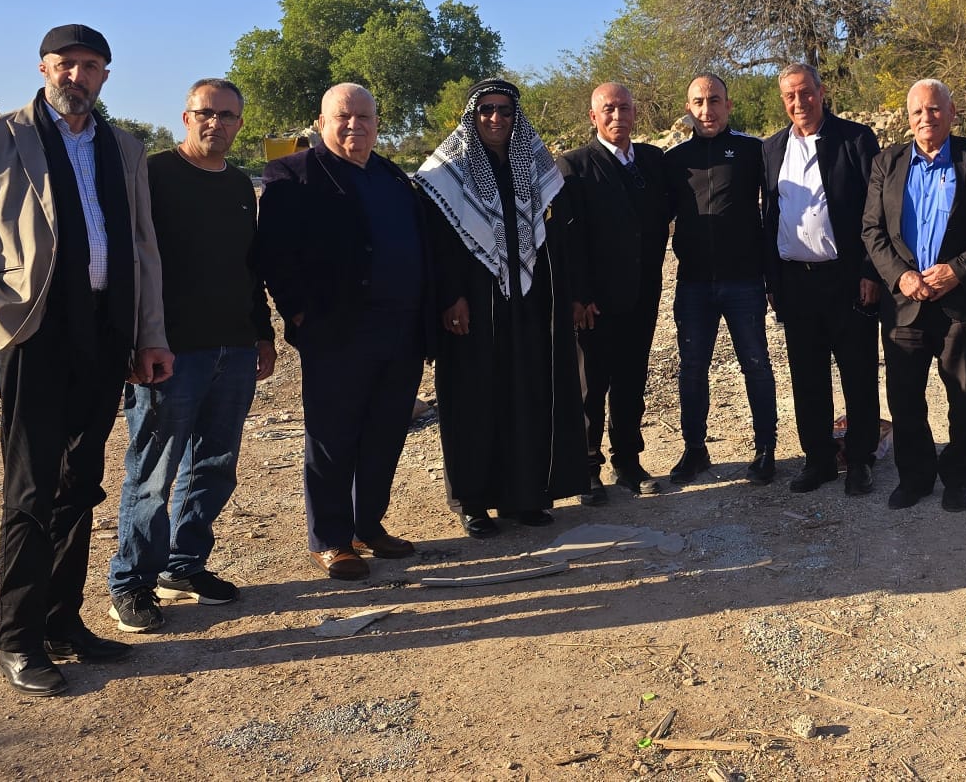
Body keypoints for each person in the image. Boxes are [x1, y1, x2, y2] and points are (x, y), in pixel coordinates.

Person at [0, 24, 171, 696]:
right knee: (31, 490)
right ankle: (19, 639)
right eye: (66, 64)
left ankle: (63, 622)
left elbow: (142, 248)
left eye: (91, 66)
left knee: (81, 482)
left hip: (107, 333)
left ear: (105, 76)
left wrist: (150, 336)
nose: (77, 76)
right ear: (43, 68)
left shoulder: (124, 147)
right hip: (33, 335)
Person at [106, 78, 276, 633]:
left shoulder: (238, 184)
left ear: (240, 124)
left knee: (214, 467)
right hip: (170, 353)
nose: (216, 124)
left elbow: (248, 268)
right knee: (154, 472)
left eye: (227, 116)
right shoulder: (153, 175)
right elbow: (130, 263)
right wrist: (136, 342)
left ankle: (184, 565)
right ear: (186, 117)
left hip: (233, 349)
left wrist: (262, 333)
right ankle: (131, 581)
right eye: (206, 113)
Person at [256, 83, 430, 579]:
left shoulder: (392, 176)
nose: (355, 125)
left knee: (385, 432)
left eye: (364, 117)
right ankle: (331, 539)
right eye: (343, 116)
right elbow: (274, 255)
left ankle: (366, 526)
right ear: (321, 122)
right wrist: (299, 314)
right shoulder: (294, 174)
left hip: (400, 330)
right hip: (336, 333)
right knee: (333, 437)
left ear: (377, 123)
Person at [416, 79, 586, 536]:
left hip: (529, 303)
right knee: (473, 399)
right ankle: (473, 502)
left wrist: (567, 294)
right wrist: (451, 296)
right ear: (473, 115)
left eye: (506, 110)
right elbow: (437, 244)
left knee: (527, 394)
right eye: (487, 109)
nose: (496, 118)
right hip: (472, 305)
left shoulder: (533, 162)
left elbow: (557, 236)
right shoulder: (446, 170)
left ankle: (524, 496)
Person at [861, 79, 966, 511]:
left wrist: (958, 270)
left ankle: (959, 477)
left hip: (962, 301)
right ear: (908, 119)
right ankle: (915, 477)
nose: (927, 118)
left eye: (935, 109)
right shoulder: (887, 163)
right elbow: (872, 230)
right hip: (905, 302)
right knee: (905, 397)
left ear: (952, 113)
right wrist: (900, 276)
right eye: (918, 111)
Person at [762, 63, 883, 495]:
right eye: (790, 96)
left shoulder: (855, 139)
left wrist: (870, 271)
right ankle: (819, 459)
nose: (799, 102)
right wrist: (772, 282)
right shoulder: (772, 148)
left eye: (806, 92)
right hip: (796, 281)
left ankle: (860, 458)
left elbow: (875, 210)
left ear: (821, 91)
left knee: (858, 371)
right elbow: (770, 215)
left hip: (847, 279)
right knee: (807, 376)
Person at [554, 83, 672, 504]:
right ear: (593, 116)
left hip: (642, 294)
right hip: (595, 302)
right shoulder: (574, 166)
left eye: (624, 107)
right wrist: (578, 295)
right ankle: (587, 469)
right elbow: (568, 238)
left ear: (635, 113)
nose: (617, 115)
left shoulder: (652, 161)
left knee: (631, 381)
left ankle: (628, 462)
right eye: (608, 109)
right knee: (591, 386)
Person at [663, 74, 780, 484]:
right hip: (693, 284)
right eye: (698, 102)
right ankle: (695, 449)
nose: (707, 109)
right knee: (692, 369)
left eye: (714, 100)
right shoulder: (675, 160)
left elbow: (776, 211)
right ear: (688, 109)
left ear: (728, 105)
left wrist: (772, 277)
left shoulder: (753, 151)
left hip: (744, 281)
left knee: (756, 365)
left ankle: (765, 449)